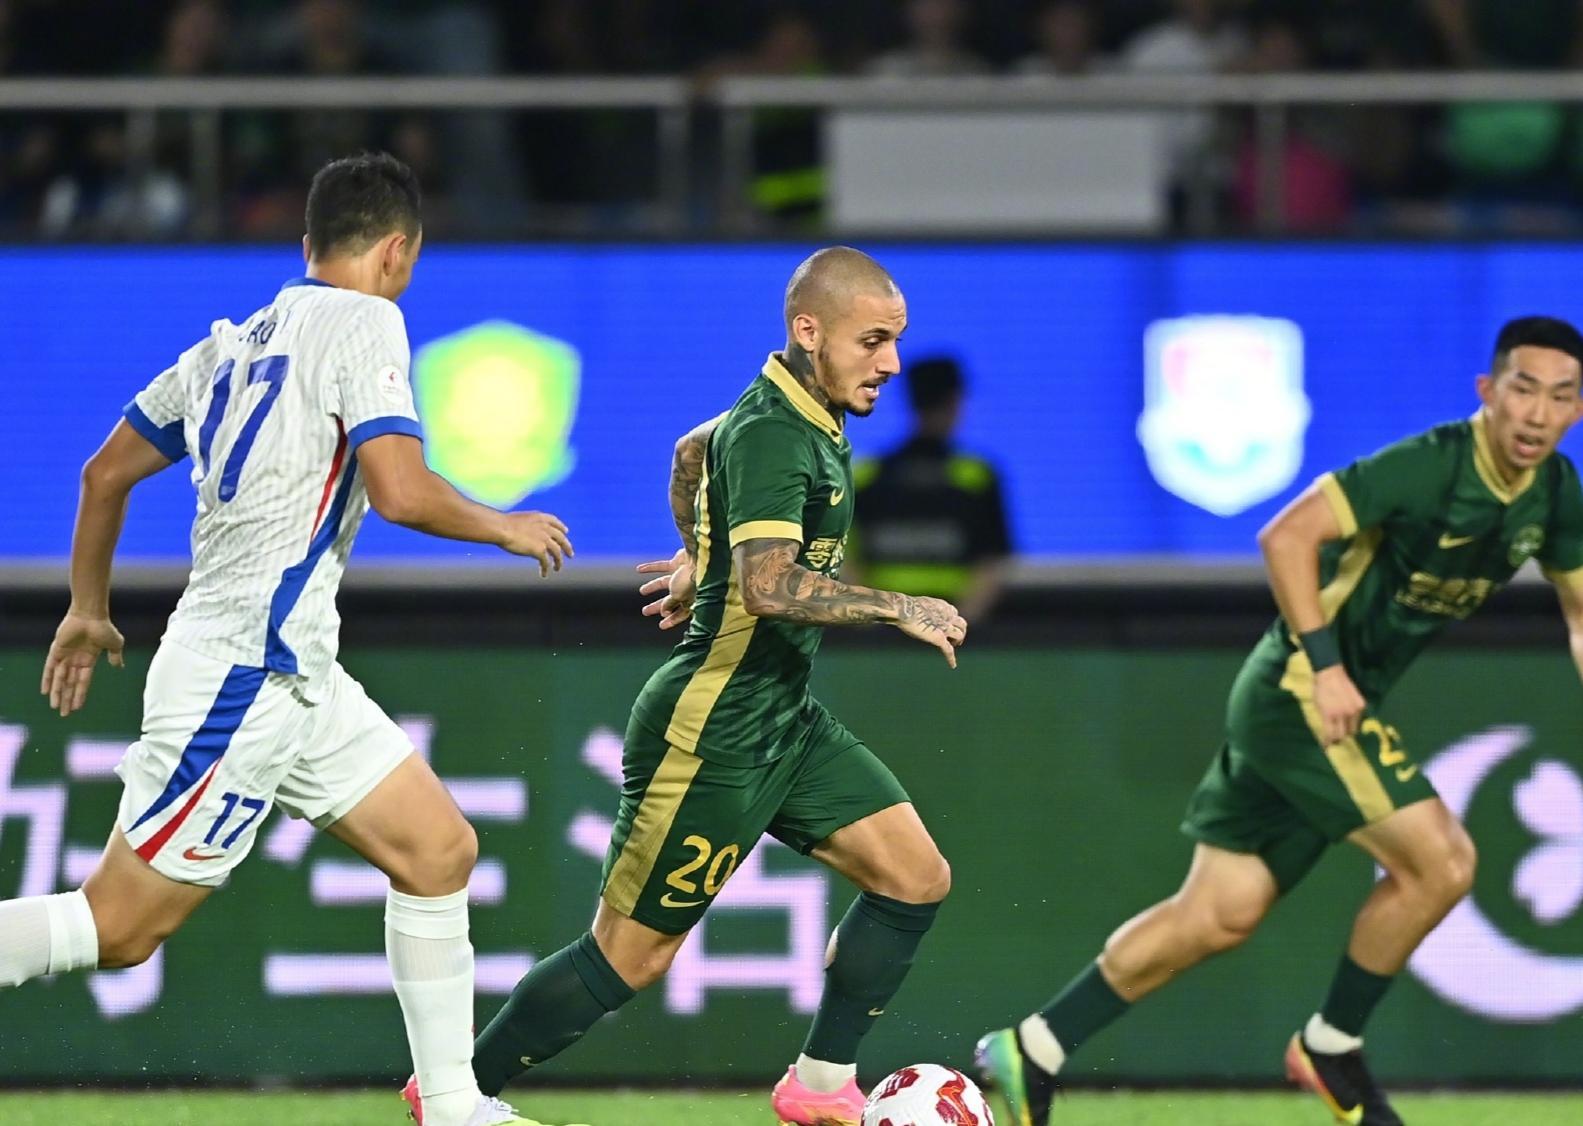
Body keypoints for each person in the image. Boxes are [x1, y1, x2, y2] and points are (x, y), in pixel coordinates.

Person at [6, 152, 573, 1126]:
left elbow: (104, 474)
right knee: (120, 927)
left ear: (308, 243)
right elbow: (399, 490)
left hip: (296, 672)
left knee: (438, 849)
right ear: (397, 252)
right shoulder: (367, 321)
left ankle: (453, 1103)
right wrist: (503, 523)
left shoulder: (225, 348)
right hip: (241, 675)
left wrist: (86, 606)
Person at [405, 246, 967, 1126]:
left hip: (784, 715)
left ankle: (819, 1086)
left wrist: (700, 557)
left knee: (913, 876)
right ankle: (454, 1091)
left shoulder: (797, 412)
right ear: (808, 331)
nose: (890, 362)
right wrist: (897, 604)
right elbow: (769, 587)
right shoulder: (777, 432)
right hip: (713, 729)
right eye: (872, 341)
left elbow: (690, 452)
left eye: (894, 340)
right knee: (628, 957)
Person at [976, 315, 1583, 1126]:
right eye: (1523, 389)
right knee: (1441, 862)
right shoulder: (1430, 466)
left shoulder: (1554, 494)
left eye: (1560, 396)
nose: (1538, 413)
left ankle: (1033, 1046)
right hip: (1300, 693)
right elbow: (1286, 535)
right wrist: (1326, 668)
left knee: (1217, 913)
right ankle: (1332, 1046)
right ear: (1488, 391)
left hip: (1310, 702)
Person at [850, 356, 1013, 623]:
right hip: (951, 627)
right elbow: (992, 563)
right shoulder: (977, 477)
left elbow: (844, 560)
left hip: (882, 628)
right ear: (954, 401)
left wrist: (871, 621)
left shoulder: (866, 474)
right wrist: (957, 626)